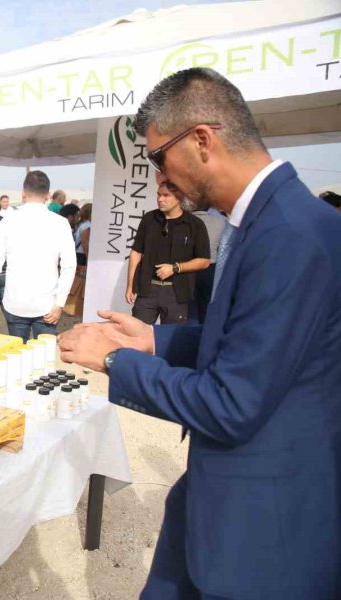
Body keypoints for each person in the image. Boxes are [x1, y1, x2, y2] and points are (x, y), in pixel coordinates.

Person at [59, 67, 341, 600]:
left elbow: (233, 402)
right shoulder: (256, 220)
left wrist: (116, 363)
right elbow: (238, 344)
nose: (159, 177)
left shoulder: (291, 235)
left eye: (158, 158)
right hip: (215, 498)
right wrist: (153, 342)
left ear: (203, 141)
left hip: (260, 532)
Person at [0, 171, 76, 342]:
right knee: (43, 362)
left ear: (23, 194)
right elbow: (69, 266)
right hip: (48, 305)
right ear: (49, 195)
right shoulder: (60, 224)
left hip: (16, 303)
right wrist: (60, 303)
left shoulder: (8, 221)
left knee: (17, 358)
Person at [125, 180, 210, 325]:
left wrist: (175, 268)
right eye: (158, 194)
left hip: (177, 293)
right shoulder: (149, 219)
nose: (160, 199)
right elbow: (136, 252)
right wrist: (130, 285)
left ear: (179, 197)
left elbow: (204, 261)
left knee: (171, 341)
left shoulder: (195, 225)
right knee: (136, 336)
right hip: (147, 291)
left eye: (166, 195)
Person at [186, 199, 225, 324]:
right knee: (206, 306)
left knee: (189, 308)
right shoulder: (221, 222)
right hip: (210, 268)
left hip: (188, 267)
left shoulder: (184, 221)